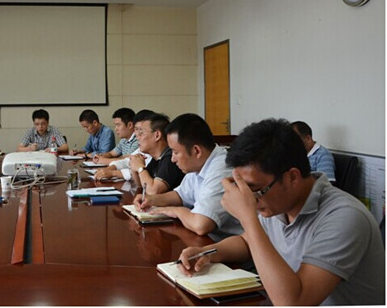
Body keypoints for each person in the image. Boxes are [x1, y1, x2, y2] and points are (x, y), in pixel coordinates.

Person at [177, 118, 385, 306]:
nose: (251, 199)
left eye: (255, 189)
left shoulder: (345, 217)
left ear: (292, 177)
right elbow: (247, 242)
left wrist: (248, 218)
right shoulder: (279, 201)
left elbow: (294, 302)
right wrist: (208, 253)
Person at [133, 113, 242, 237]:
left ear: (196, 151)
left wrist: (175, 211)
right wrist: (152, 200)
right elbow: (181, 195)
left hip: (229, 243)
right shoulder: (198, 164)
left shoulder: (221, 169)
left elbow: (201, 225)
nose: (172, 159)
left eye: (175, 152)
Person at [129, 113, 184, 194]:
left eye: (141, 133)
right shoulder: (156, 159)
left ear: (157, 135)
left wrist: (140, 168)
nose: (137, 137)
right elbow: (141, 185)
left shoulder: (170, 158)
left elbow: (153, 191)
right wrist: (134, 166)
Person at [93, 109, 154, 181]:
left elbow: (140, 172)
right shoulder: (125, 140)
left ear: (157, 135)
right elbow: (126, 160)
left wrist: (112, 172)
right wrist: (108, 167)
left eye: (141, 130)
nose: (137, 134)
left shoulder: (139, 143)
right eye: (136, 129)